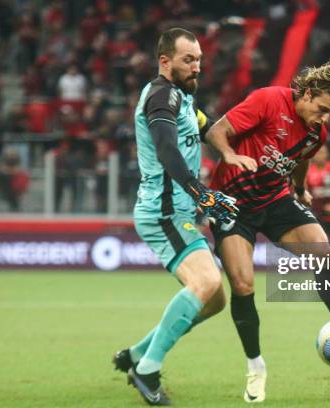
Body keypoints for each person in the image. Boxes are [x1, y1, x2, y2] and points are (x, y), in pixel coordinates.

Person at [206, 61, 330, 403]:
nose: (325, 118)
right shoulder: (268, 100)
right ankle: (256, 367)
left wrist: (299, 189)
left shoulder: (317, 133)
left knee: (326, 257)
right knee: (243, 285)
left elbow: (300, 156)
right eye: (322, 109)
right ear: (308, 93)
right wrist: (229, 155)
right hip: (232, 203)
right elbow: (215, 132)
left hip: (274, 200)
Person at [111, 28, 238, 406]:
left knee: (214, 300)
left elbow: (209, 127)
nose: (196, 66)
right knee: (206, 280)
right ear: (164, 61)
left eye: (199, 59)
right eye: (188, 59)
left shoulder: (183, 98)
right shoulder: (161, 95)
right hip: (163, 210)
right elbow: (166, 148)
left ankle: (135, 354)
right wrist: (199, 192)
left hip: (179, 211)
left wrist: (242, 148)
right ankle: (147, 369)